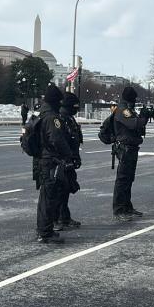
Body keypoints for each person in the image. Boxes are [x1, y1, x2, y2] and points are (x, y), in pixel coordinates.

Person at [34, 85, 72, 244]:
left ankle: (45, 230)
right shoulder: (52, 118)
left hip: (43, 159)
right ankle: (45, 232)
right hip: (51, 161)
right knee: (49, 197)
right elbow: (57, 139)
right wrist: (68, 155)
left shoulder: (41, 115)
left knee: (46, 196)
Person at [112, 87, 149, 221]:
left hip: (131, 147)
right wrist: (144, 117)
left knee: (128, 179)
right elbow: (134, 124)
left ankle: (127, 206)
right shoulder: (123, 110)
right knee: (122, 180)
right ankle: (119, 209)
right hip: (125, 148)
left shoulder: (128, 109)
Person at [55, 92, 82, 231]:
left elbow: (75, 139)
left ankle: (64, 217)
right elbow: (61, 141)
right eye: (75, 106)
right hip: (61, 160)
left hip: (70, 158)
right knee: (60, 189)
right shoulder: (60, 119)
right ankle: (58, 218)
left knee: (66, 189)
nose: (76, 109)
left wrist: (75, 157)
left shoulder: (69, 118)